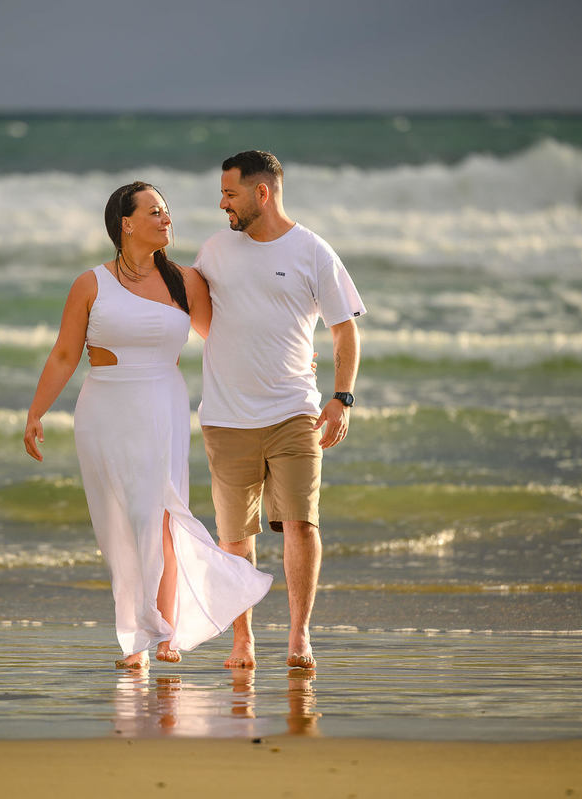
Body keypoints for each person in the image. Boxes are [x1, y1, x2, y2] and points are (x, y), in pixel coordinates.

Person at [24, 181, 272, 669]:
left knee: (161, 515)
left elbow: (224, 340)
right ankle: (138, 630)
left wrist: (285, 361)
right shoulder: (90, 284)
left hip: (162, 403)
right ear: (126, 223)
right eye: (154, 211)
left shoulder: (186, 281)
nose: (166, 219)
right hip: (104, 409)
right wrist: (36, 412)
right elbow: (65, 354)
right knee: (121, 521)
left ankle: (163, 632)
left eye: (167, 211)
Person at [194, 151, 365, 671]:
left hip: (294, 412)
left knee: (300, 522)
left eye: (230, 193)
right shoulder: (216, 249)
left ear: (261, 193)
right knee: (233, 537)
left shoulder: (313, 251)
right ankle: (242, 639)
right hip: (226, 417)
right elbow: (199, 313)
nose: (222, 203)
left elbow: (345, 329)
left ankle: (298, 634)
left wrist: (342, 397)